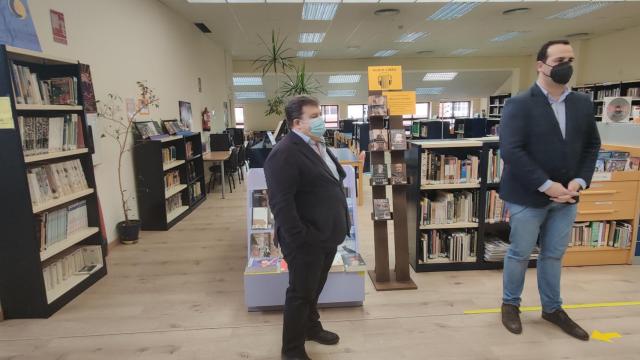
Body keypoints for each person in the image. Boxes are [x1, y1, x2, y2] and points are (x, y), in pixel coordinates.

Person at [499, 40, 601, 341]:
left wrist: (579, 181)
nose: (566, 65)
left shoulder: (582, 103)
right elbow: (512, 151)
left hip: (568, 196)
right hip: (528, 196)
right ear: (541, 65)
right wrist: (547, 185)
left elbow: (592, 145)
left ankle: (552, 308)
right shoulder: (519, 103)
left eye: (570, 59)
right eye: (559, 60)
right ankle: (510, 305)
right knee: (519, 253)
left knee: (554, 255)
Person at [264, 95, 350, 360]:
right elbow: (281, 203)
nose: (320, 120)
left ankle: (312, 328)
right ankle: (291, 350)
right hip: (306, 240)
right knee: (300, 293)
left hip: (326, 233)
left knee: (314, 288)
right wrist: (300, 238)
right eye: (314, 116)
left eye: (320, 114)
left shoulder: (318, 144)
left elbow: (334, 179)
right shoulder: (284, 153)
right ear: (297, 123)